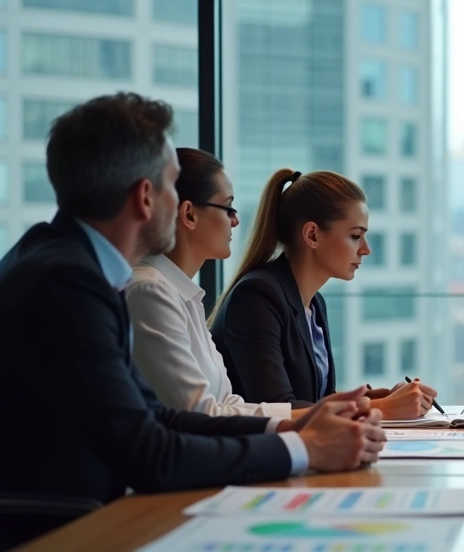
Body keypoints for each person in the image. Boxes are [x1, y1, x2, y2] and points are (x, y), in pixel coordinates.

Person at [0, 93, 386, 513]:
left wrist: (294, 426)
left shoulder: (68, 263)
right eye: (171, 183)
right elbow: (150, 452)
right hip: (53, 536)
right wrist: (304, 449)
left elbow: (155, 417)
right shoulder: (69, 283)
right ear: (146, 197)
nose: (178, 201)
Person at [209, 168, 436, 418]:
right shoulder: (256, 297)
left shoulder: (315, 303)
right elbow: (276, 409)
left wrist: (368, 399)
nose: (366, 249)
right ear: (312, 235)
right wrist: (381, 409)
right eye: (355, 236)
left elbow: (310, 399)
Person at [127, 149, 302, 419]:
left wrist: (312, 417)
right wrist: (307, 420)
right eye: (228, 207)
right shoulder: (150, 292)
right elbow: (198, 412)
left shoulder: (184, 295)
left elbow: (226, 400)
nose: (235, 219)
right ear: (189, 215)